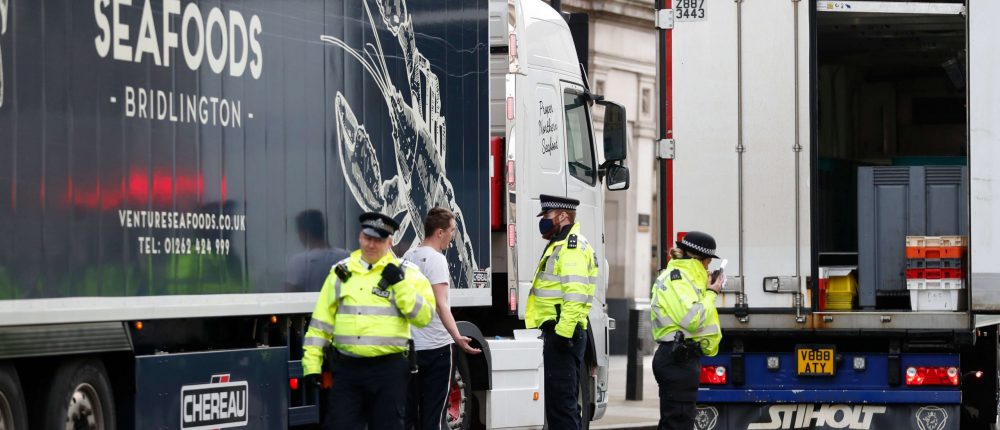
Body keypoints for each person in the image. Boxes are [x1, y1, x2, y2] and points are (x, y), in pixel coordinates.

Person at [301, 212, 436, 430]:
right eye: (367, 238)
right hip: (347, 370)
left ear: (390, 242)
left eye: (378, 240)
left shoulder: (408, 274)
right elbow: (320, 323)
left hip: (388, 371)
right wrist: (311, 365)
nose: (371, 245)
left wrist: (400, 285)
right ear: (360, 237)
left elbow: (424, 318)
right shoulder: (341, 272)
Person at [403, 207, 482, 429]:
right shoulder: (436, 260)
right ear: (440, 232)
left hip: (412, 347)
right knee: (434, 417)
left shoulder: (408, 256)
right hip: (436, 348)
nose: (452, 236)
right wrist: (457, 337)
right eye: (452, 230)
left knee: (410, 416)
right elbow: (441, 304)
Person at [525, 194, 598, 429]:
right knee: (560, 406)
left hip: (564, 336)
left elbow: (575, 296)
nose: (544, 220)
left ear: (563, 216)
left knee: (562, 407)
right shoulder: (560, 244)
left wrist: (562, 335)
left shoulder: (571, 247)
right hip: (561, 334)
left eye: (547, 215)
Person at [650, 231, 724, 430]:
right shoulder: (678, 279)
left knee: (677, 421)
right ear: (699, 259)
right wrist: (711, 293)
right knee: (678, 423)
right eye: (708, 262)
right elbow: (692, 320)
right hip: (677, 358)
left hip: (680, 357)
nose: (708, 268)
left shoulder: (685, 278)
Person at [285, 210, 350, 292]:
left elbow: (289, 294)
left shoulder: (298, 262)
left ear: (303, 234)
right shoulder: (345, 257)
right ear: (323, 229)